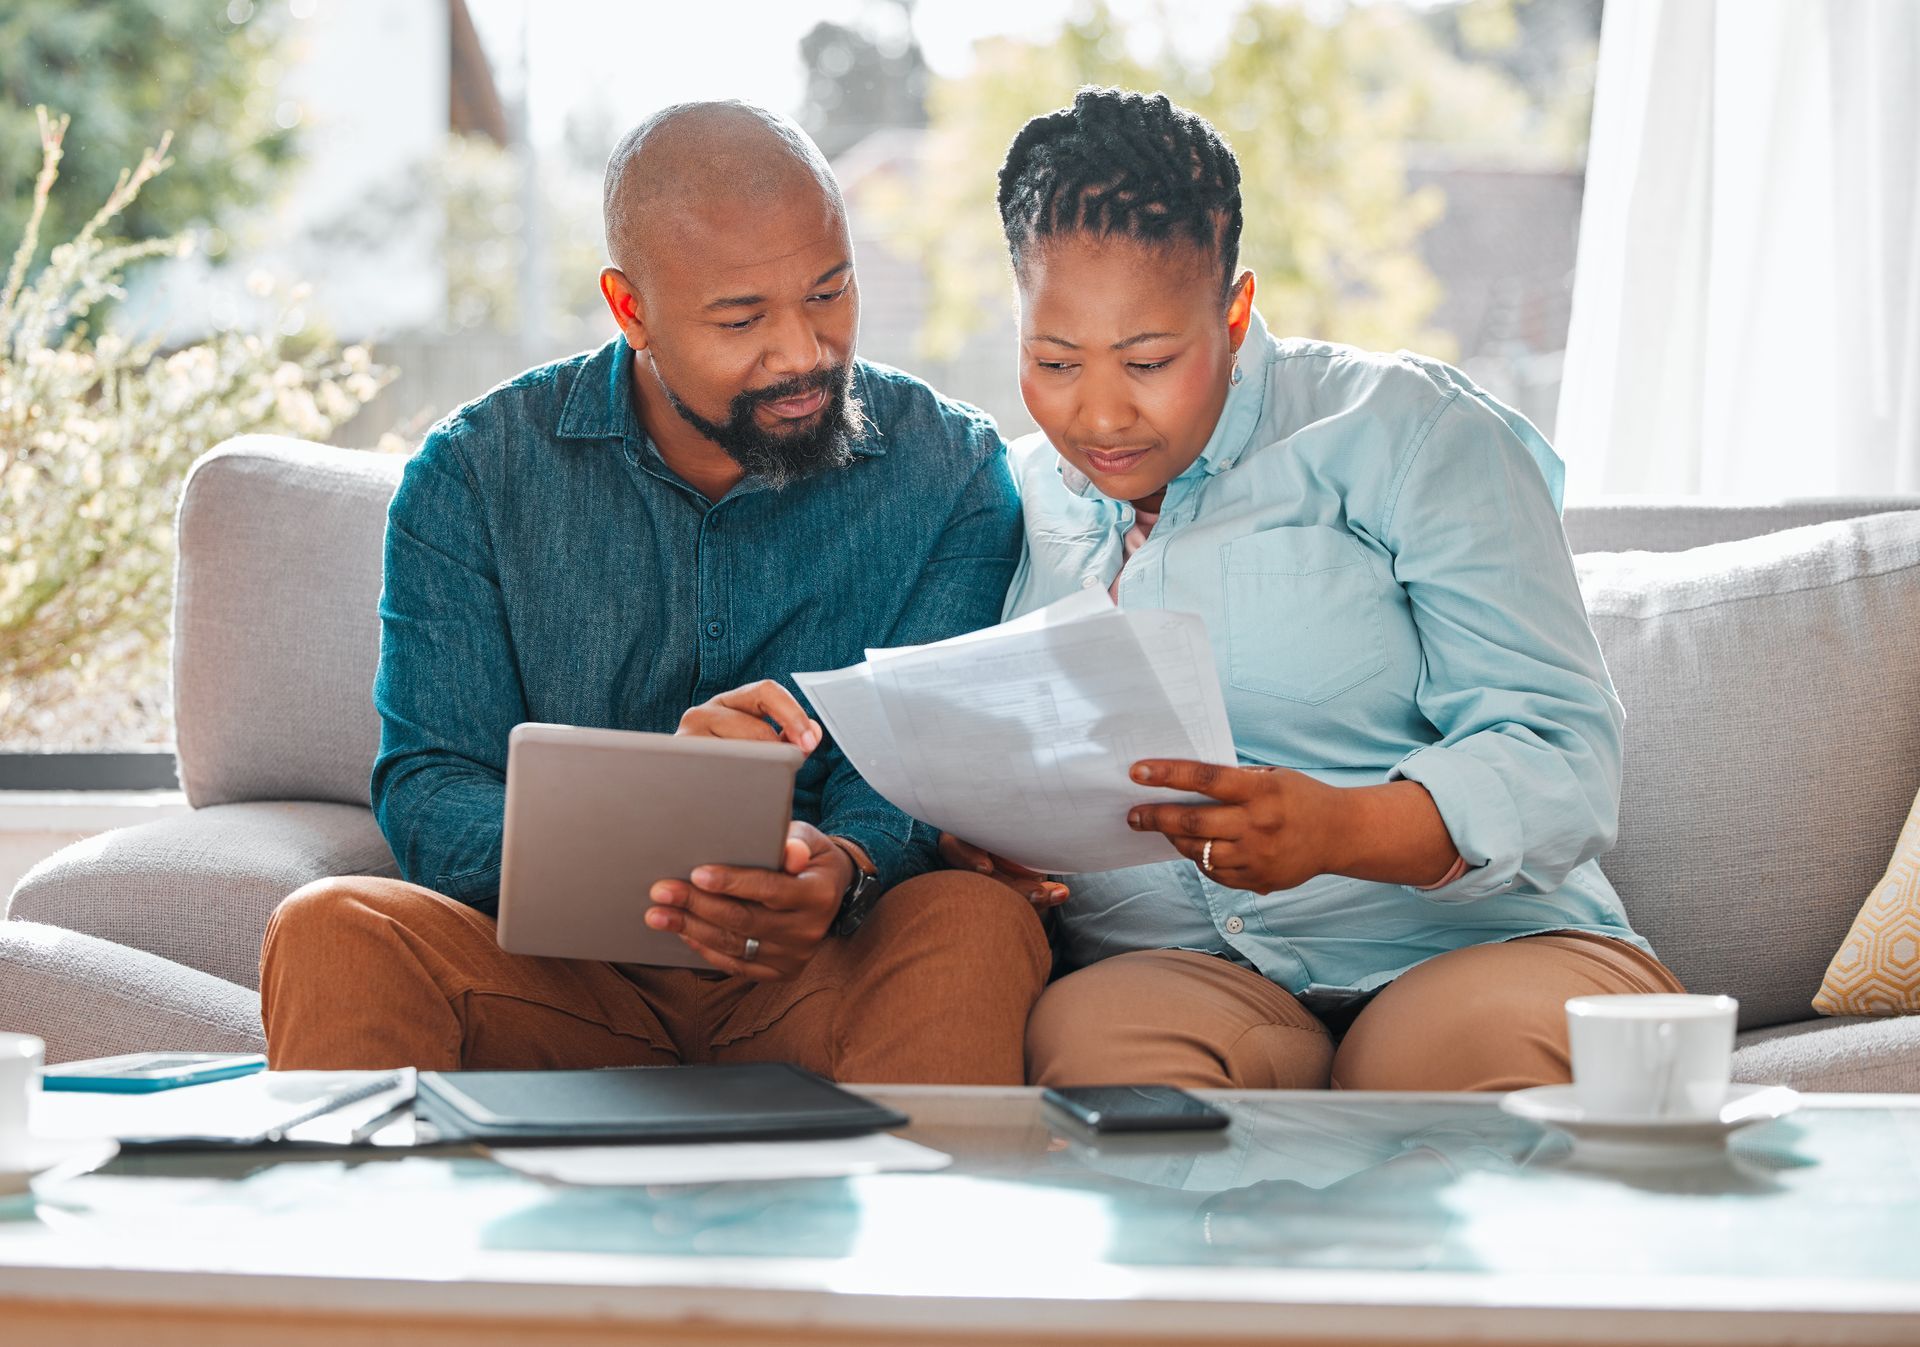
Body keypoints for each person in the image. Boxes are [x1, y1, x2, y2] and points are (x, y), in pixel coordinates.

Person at [260, 101, 1048, 1081]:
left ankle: (904, 1234)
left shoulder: (951, 469)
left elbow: (920, 774)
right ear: (631, 309)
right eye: (742, 319)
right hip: (558, 982)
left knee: (973, 919)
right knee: (333, 927)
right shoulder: (475, 474)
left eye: (829, 293)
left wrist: (841, 865)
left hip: (820, 971)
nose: (803, 351)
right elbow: (429, 790)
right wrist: (651, 828)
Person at [944, 88, 1684, 1092]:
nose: (1101, 412)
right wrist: (987, 839)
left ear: (1236, 312)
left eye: (1150, 360)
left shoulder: (1408, 433)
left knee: (1428, 1069)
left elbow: (1563, 758)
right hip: (1188, 974)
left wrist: (1338, 829)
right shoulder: (1010, 496)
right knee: (1108, 1056)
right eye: (1055, 360)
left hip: (1485, 949)